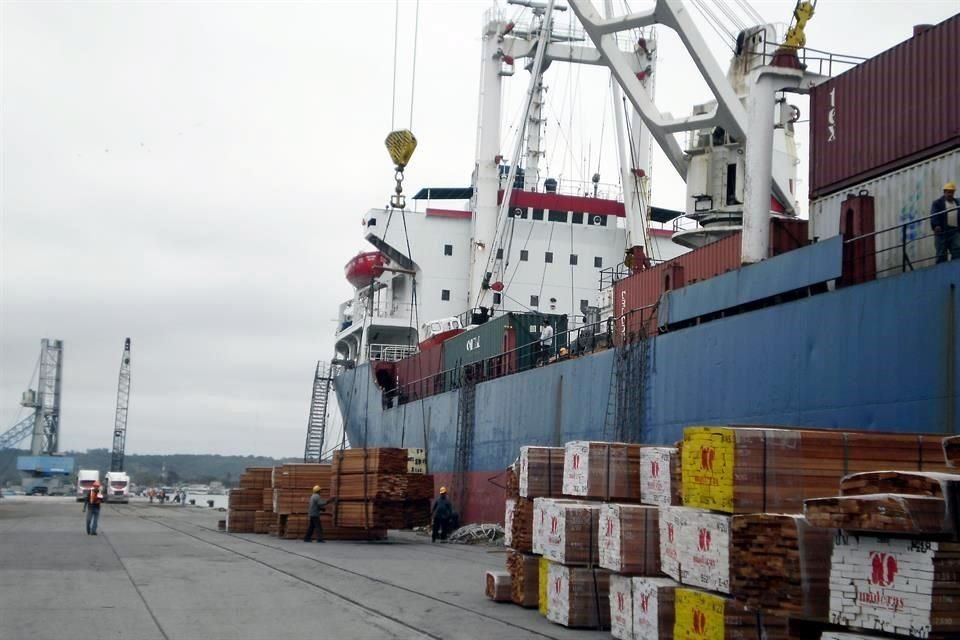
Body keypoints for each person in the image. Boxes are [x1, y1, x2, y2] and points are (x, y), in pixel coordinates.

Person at [931, 181, 959, 263]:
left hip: (955, 231)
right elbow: (934, 214)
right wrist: (936, 225)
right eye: (948, 192)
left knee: (957, 250)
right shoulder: (937, 203)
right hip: (942, 231)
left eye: (951, 192)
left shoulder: (958, 202)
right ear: (944, 192)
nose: (950, 194)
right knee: (941, 253)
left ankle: (955, 268)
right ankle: (941, 271)